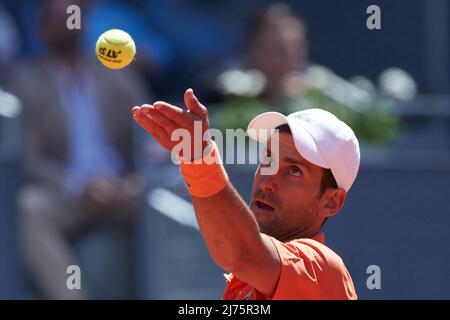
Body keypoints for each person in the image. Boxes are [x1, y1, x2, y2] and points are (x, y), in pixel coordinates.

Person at [132, 88, 359, 299]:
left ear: (331, 202)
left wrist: (199, 158)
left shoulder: (323, 270)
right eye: (268, 159)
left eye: (294, 171)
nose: (268, 181)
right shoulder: (251, 279)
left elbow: (240, 254)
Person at [8, 0, 148, 299]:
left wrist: (138, 181)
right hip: (68, 194)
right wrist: (79, 186)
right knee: (27, 208)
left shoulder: (117, 73)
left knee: (180, 196)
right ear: (41, 27)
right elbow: (27, 157)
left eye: (71, 15)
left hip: (124, 190)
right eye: (55, 16)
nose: (66, 23)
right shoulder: (25, 81)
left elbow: (149, 134)